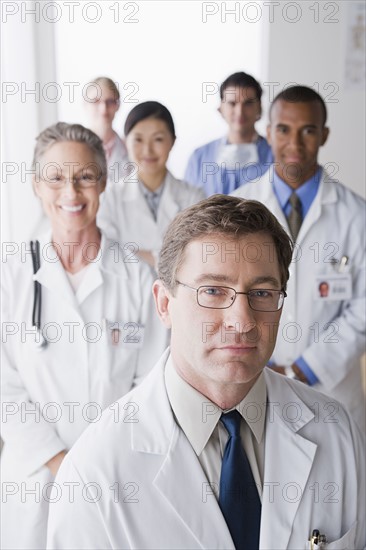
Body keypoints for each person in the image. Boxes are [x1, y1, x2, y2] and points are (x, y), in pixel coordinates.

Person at [47, 196, 365, 550]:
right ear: (164, 304)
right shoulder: (94, 473)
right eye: (213, 291)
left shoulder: (336, 432)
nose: (242, 321)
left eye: (261, 292)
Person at [1, 122, 168, 550]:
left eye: (85, 177)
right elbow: (6, 391)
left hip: (115, 477)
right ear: (37, 185)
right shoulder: (11, 277)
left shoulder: (137, 278)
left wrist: (95, 465)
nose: (71, 193)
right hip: (35, 481)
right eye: (55, 178)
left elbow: (149, 386)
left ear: (104, 181)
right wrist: (62, 463)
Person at [232, 86, 366, 431]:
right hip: (253, 381)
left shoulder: (356, 215)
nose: (295, 143)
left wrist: (300, 370)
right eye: (284, 130)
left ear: (324, 135)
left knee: (338, 480)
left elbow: (362, 309)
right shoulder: (236, 208)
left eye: (308, 130)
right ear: (268, 133)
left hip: (332, 389)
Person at [97, 101, 204, 270]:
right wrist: (166, 259)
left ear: (173, 141)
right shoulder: (109, 197)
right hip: (127, 294)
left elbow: (197, 257)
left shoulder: (194, 198)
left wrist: (136, 254)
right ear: (125, 142)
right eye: (138, 139)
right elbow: (108, 255)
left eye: (158, 139)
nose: (147, 150)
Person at [184, 71, 273, 196]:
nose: (240, 112)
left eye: (248, 103)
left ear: (259, 107)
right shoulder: (200, 158)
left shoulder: (275, 156)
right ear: (220, 108)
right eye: (232, 103)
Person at [84, 76, 128, 184]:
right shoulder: (75, 147)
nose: (104, 109)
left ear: (118, 105)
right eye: (96, 101)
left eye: (110, 101)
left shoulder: (129, 148)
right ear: (85, 104)